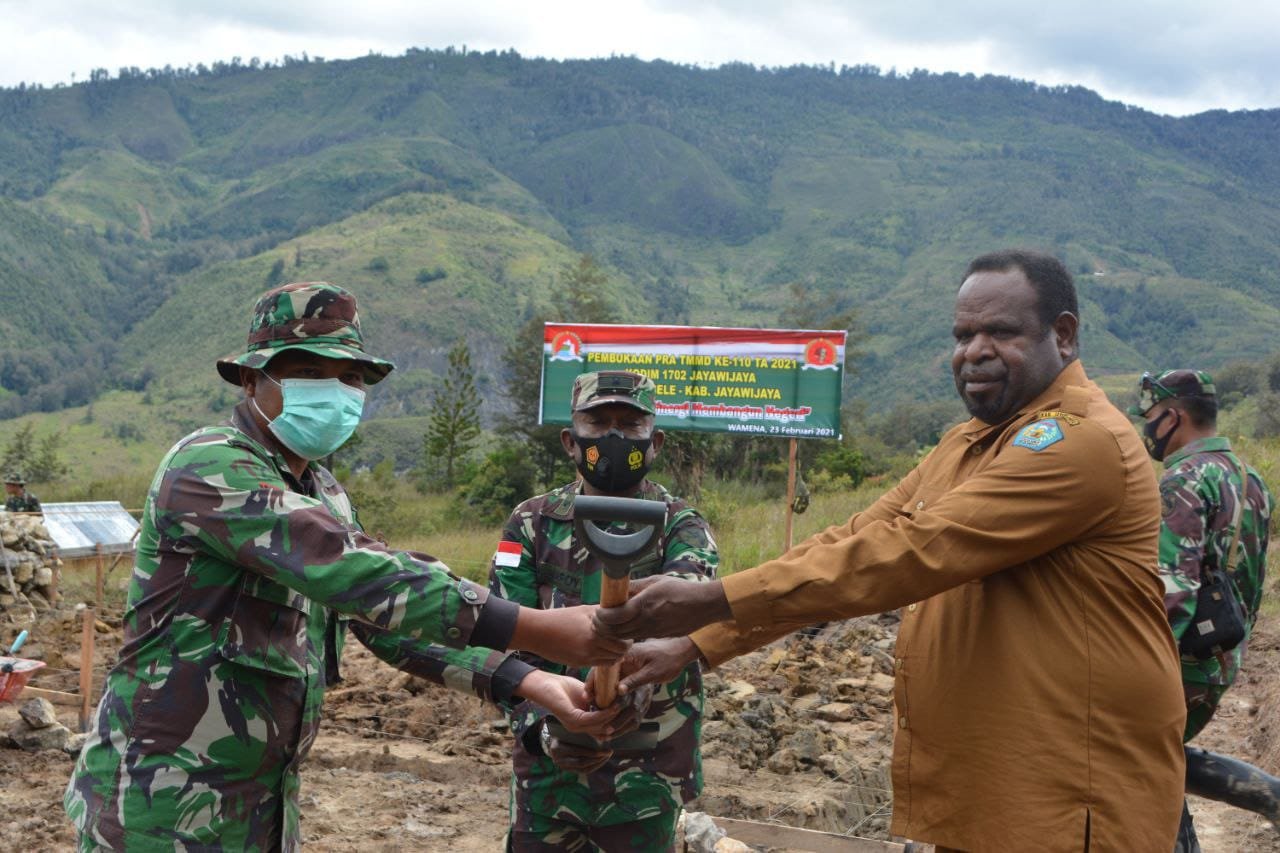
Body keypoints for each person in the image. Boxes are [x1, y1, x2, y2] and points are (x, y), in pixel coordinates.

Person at [597, 250, 1187, 851]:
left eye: (1001, 332)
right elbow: (854, 542)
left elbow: (909, 553)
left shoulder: (1079, 443)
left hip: (1067, 796)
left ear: (1062, 336)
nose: (974, 352)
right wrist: (698, 641)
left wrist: (708, 600)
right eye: (963, 335)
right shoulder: (967, 444)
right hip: (995, 792)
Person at [64, 282, 627, 851]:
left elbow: (381, 623)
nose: (336, 390)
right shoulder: (209, 466)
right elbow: (356, 572)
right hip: (157, 809)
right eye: (308, 371)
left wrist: (527, 681)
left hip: (257, 809)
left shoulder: (324, 492)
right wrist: (535, 628)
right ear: (252, 379)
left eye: (352, 376)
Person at [491, 370, 719, 851]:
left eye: (630, 424)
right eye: (598, 422)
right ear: (571, 442)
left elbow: (691, 610)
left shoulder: (681, 525)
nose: (614, 436)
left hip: (647, 771)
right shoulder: (531, 523)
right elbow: (505, 635)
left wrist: (637, 679)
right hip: (551, 769)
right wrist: (543, 723)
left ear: (654, 442)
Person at [1130, 369, 1278, 849]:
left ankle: (1270, 798)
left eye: (1150, 418)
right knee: (1158, 762)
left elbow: (1171, 593)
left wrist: (1137, 670)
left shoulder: (1185, 481)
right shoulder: (1250, 479)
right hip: (1220, 660)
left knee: (1132, 764)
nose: (1146, 429)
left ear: (1173, 417)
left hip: (1181, 665)